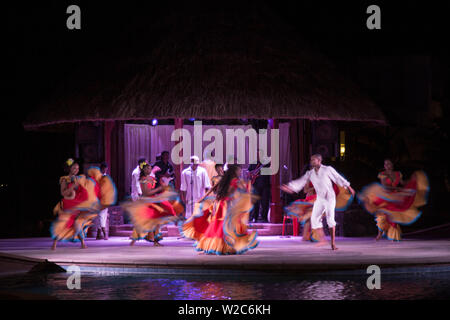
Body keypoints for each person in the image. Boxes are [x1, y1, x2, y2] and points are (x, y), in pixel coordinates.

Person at [281, 154, 355, 250]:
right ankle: (323, 240)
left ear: (319, 161)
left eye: (314, 160)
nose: (312, 161)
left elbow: (337, 178)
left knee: (330, 220)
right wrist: (290, 187)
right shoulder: (310, 173)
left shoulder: (327, 169)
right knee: (314, 219)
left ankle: (333, 243)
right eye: (311, 160)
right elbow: (301, 181)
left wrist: (349, 186)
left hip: (329, 198)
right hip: (320, 199)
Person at [181, 164, 258, 255]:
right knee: (224, 226)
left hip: (220, 203)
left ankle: (214, 245)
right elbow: (236, 191)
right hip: (227, 205)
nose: (240, 172)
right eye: (239, 171)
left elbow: (214, 190)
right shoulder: (235, 181)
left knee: (218, 225)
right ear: (234, 171)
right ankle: (222, 246)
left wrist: (203, 198)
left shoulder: (224, 180)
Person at [51, 158, 116, 250]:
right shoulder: (64, 179)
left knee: (78, 224)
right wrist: (73, 186)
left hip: (77, 204)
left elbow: (83, 191)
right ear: (69, 169)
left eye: (77, 168)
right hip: (68, 204)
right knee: (66, 223)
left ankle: (82, 243)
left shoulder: (78, 178)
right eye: (74, 168)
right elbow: (63, 193)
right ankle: (55, 243)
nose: (76, 170)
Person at [358, 159, 429, 241]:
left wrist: (412, 180)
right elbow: (385, 186)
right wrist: (401, 189)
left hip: (395, 196)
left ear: (392, 165)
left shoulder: (398, 174)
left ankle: (394, 236)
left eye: (389, 164)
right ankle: (379, 234)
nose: (387, 166)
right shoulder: (382, 174)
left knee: (394, 215)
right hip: (385, 196)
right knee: (382, 216)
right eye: (385, 164)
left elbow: (403, 183)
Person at [124, 162, 184, 246]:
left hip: (151, 201)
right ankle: (135, 241)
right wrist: (159, 189)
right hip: (147, 202)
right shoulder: (143, 179)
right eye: (148, 168)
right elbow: (146, 192)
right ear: (144, 170)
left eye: (150, 168)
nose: (150, 169)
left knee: (156, 222)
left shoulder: (149, 178)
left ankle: (155, 240)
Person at [248, 155, 271, 223]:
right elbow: (248, 172)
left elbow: (269, 172)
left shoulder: (267, 163)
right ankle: (255, 217)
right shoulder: (253, 163)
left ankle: (264, 218)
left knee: (265, 203)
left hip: (265, 185)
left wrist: (260, 173)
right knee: (255, 203)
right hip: (255, 185)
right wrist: (252, 174)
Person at [93, 162, 111, 240]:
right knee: (100, 215)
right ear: (101, 169)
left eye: (106, 169)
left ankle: (98, 233)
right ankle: (104, 232)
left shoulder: (106, 176)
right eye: (104, 169)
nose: (105, 170)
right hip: (98, 197)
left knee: (103, 215)